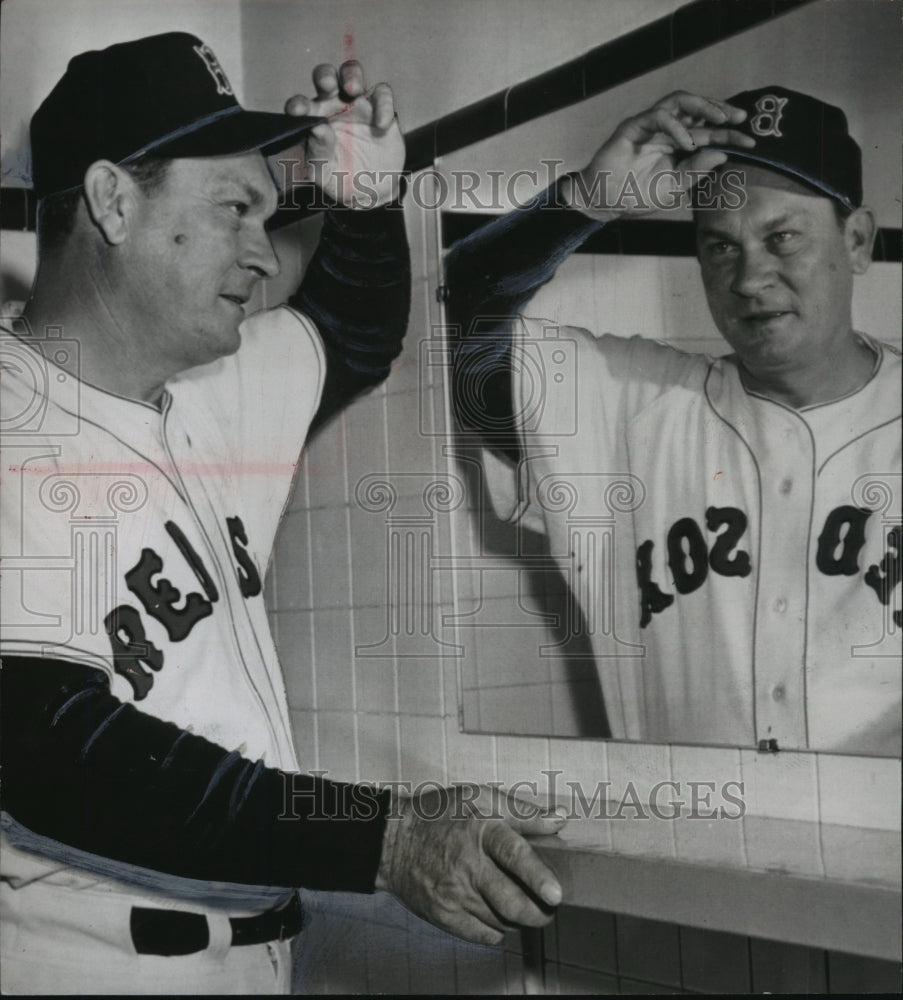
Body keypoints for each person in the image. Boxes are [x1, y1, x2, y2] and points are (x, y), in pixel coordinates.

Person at [0, 33, 563, 995]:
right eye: (234, 211)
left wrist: (365, 198)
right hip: (82, 964)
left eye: (268, 215)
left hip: (261, 954)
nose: (265, 254)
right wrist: (383, 839)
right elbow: (42, 746)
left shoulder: (209, 383)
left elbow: (352, 327)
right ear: (112, 200)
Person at [446, 88, 901, 755]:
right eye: (720, 248)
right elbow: (453, 312)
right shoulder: (631, 403)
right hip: (686, 838)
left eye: (782, 239)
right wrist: (585, 201)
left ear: (855, 239)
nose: (749, 278)